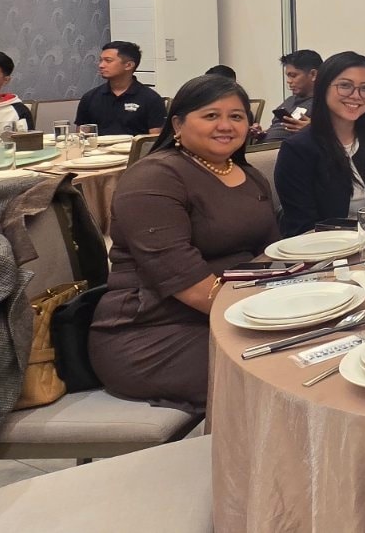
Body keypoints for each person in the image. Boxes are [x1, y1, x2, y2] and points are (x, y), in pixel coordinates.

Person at [88, 74, 280, 411]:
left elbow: (271, 254)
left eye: (236, 116)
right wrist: (273, 319)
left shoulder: (248, 175)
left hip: (228, 314)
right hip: (153, 331)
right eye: (211, 115)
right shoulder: (155, 178)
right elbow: (188, 285)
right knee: (279, 370)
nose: (226, 125)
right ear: (177, 124)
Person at [273, 51, 365, 237]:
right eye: (345, 86)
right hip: (322, 247)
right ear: (323, 87)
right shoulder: (298, 149)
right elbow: (302, 226)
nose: (356, 95)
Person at [74, 41, 167, 137]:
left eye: (108, 61)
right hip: (97, 146)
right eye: (101, 60)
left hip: (134, 146)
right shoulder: (90, 97)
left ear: (128, 65)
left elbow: (155, 139)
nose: (101, 65)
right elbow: (81, 136)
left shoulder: (150, 98)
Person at [263, 50, 321, 142]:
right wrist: (262, 134)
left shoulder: (324, 102)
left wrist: (313, 129)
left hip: (285, 148)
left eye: (293, 76)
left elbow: (334, 134)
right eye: (288, 76)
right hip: (263, 146)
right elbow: (278, 128)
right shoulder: (289, 100)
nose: (288, 81)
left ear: (313, 74)